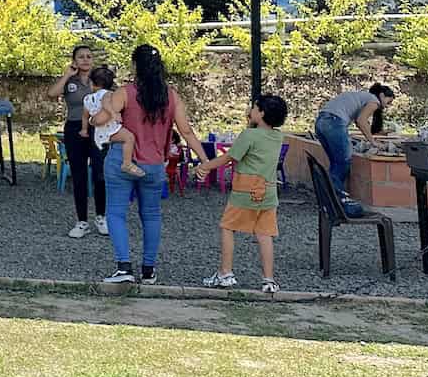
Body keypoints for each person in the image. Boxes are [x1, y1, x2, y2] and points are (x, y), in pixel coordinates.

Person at [95, 44, 204, 285]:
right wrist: (205, 159)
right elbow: (185, 130)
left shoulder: (125, 92)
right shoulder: (172, 95)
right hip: (154, 164)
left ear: (136, 66)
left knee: (115, 213)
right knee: (152, 216)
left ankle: (124, 266)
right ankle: (148, 269)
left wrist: (100, 110)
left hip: (121, 162)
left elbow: (102, 119)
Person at [198, 94, 290, 294]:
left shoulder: (248, 136)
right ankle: (268, 280)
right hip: (269, 192)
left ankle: (226, 272)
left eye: (254, 108)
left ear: (262, 112)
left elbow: (230, 157)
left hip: (245, 190)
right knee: (265, 234)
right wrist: (252, 121)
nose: (251, 110)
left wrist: (205, 166)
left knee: (227, 227)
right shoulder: (277, 136)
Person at [47, 45, 107, 239]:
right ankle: (82, 221)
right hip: (74, 128)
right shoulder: (70, 81)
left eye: (89, 56)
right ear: (74, 60)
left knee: (100, 173)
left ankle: (101, 216)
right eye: (81, 57)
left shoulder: (99, 80)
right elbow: (51, 94)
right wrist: (66, 75)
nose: (85, 60)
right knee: (79, 175)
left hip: (97, 128)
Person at [313, 84, 395, 215]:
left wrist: (378, 134)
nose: (387, 105)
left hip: (321, 122)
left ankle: (327, 201)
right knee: (343, 163)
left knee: (336, 163)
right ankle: (338, 202)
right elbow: (361, 121)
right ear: (382, 95)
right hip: (334, 123)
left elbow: (362, 123)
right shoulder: (373, 100)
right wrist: (373, 142)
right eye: (388, 101)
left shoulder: (361, 96)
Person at [84, 66, 144, 178]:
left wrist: (85, 127)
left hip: (99, 132)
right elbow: (106, 104)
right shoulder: (109, 94)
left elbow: (85, 116)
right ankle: (127, 163)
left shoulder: (87, 98)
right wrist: (114, 113)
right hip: (110, 128)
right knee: (129, 138)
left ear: (91, 83)